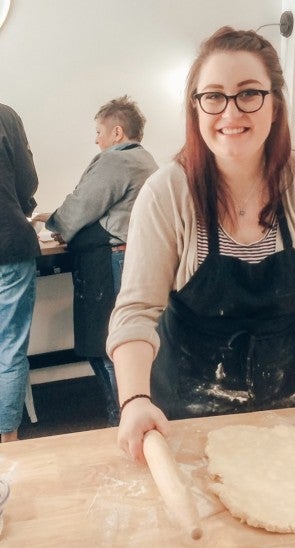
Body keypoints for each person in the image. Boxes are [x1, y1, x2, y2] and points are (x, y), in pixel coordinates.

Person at [106, 27, 295, 459]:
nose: (230, 112)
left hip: (286, 413)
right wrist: (134, 401)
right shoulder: (167, 193)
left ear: (275, 105)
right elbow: (136, 312)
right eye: (213, 95)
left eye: (249, 93)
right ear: (195, 108)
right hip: (180, 415)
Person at [34, 96, 158, 426]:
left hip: (112, 262)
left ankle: (121, 420)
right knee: (122, 344)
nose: (96, 139)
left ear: (117, 132)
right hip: (131, 259)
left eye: (99, 131)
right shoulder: (145, 160)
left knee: (108, 348)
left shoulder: (116, 161)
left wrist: (54, 222)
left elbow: (79, 208)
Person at [0, 103, 40, 443]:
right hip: (8, 243)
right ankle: (8, 444)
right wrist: (20, 209)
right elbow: (27, 180)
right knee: (9, 347)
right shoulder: (5, 115)